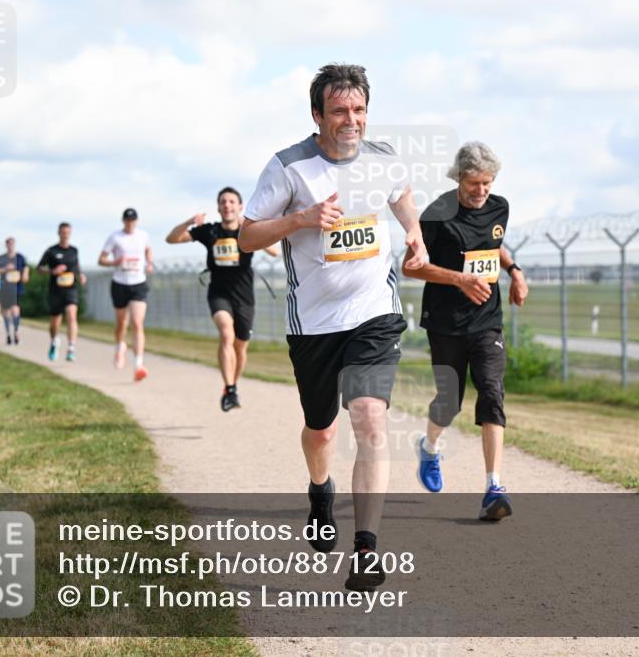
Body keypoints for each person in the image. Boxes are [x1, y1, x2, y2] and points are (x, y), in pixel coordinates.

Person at [239, 63, 427, 592]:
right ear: (317, 114)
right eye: (340, 110)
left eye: (360, 110)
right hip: (314, 324)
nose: (352, 120)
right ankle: (320, 489)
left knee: (369, 419)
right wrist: (299, 220)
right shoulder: (289, 167)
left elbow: (402, 192)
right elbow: (248, 235)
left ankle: (366, 549)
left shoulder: (383, 158)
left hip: (374, 313)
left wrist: (414, 231)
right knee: (321, 429)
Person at [402, 141, 529, 521]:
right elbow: (411, 266)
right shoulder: (438, 214)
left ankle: (493, 487)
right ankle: (429, 446)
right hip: (446, 321)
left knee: (491, 392)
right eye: (474, 183)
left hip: (487, 319)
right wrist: (458, 279)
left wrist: (514, 271)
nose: (481, 191)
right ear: (459, 178)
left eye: (487, 183)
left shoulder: (499, 206)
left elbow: (493, 244)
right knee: (450, 400)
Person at [165, 187, 279, 411]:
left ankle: (232, 386)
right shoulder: (210, 231)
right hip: (219, 293)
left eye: (231, 202)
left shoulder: (247, 230)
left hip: (244, 297)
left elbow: (275, 252)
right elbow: (172, 239)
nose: (227, 205)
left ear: (240, 206)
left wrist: (254, 230)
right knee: (226, 332)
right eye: (223, 202)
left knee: (240, 348)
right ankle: (230, 388)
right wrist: (189, 221)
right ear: (218, 207)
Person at [99, 208, 153, 381]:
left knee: (137, 323)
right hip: (120, 283)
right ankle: (119, 347)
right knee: (122, 323)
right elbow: (101, 259)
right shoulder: (115, 237)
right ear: (123, 221)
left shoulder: (143, 235)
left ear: (136, 221)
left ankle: (138, 365)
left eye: (133, 220)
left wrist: (149, 262)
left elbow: (147, 250)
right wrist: (115, 262)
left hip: (138, 283)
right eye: (127, 220)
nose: (130, 223)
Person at [38, 222, 87, 361]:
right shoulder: (51, 251)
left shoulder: (74, 250)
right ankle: (54, 342)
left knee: (72, 316)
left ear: (70, 234)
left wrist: (81, 275)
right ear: (59, 233)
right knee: (55, 323)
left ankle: (71, 348)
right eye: (63, 232)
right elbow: (40, 268)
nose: (65, 235)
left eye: (67, 233)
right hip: (55, 291)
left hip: (71, 289)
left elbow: (77, 266)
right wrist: (52, 271)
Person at [0, 237, 29, 344]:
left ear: (14, 244)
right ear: (6, 245)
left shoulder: (20, 257)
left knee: (15, 309)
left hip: (17, 287)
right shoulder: (1, 258)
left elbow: (26, 269)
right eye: (8, 243)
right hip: (5, 287)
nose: (10, 245)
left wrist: (25, 276)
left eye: (12, 243)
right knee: (5, 311)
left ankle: (16, 331)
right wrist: (5, 268)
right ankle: (8, 333)